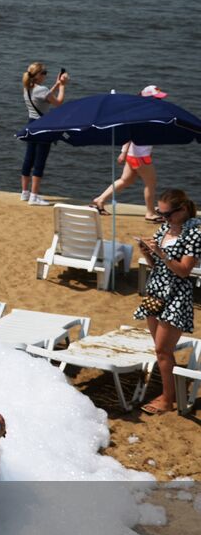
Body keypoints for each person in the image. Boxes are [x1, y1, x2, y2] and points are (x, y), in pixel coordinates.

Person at [135, 188, 200, 415]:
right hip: (156, 290)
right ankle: (167, 394)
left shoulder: (194, 234)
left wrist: (162, 253)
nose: (164, 219)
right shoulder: (164, 228)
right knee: (160, 350)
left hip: (176, 295)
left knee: (163, 349)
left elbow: (183, 271)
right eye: (160, 214)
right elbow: (157, 267)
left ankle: (167, 399)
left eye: (168, 214)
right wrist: (147, 253)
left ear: (182, 210)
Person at [91, 85, 165, 219]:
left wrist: (125, 152)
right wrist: (123, 152)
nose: (159, 101)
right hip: (140, 155)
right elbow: (130, 134)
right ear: (147, 98)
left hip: (134, 154)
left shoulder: (141, 112)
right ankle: (150, 213)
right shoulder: (145, 114)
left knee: (125, 180)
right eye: (156, 98)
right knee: (151, 183)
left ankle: (100, 200)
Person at [20, 62, 67, 206]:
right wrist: (63, 86)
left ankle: (25, 193)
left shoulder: (27, 88)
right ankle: (34, 196)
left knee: (29, 158)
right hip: (43, 127)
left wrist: (56, 85)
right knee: (40, 161)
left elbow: (45, 97)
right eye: (44, 73)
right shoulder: (42, 90)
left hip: (32, 124)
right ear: (38, 75)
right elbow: (58, 103)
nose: (45, 75)